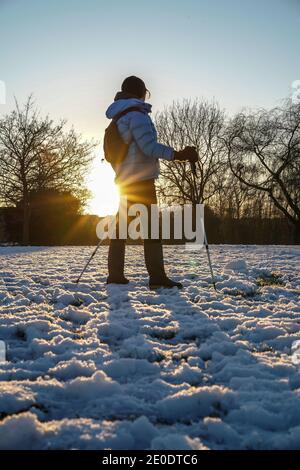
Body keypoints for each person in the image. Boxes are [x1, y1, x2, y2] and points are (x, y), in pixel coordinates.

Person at [105, 75, 198, 289]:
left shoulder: (120, 116)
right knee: (152, 229)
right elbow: (149, 147)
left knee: (121, 229)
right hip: (142, 180)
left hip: (126, 180)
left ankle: (115, 275)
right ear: (140, 92)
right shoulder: (136, 115)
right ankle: (157, 277)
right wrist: (178, 154)